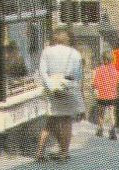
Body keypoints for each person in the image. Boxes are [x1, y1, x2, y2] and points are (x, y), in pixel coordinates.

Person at [35, 28, 85, 161]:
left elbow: (42, 71)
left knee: (51, 121)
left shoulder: (46, 51)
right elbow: (77, 74)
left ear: (54, 38)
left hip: (52, 89)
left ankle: (40, 152)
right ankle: (64, 152)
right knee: (67, 120)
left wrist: (51, 86)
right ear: (67, 39)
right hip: (68, 87)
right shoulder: (74, 53)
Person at [91, 50, 119, 139]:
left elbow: (95, 82)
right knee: (111, 113)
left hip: (102, 95)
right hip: (112, 95)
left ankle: (100, 129)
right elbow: (118, 81)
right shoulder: (115, 70)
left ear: (104, 59)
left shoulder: (99, 69)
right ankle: (112, 130)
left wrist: (95, 88)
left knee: (101, 113)